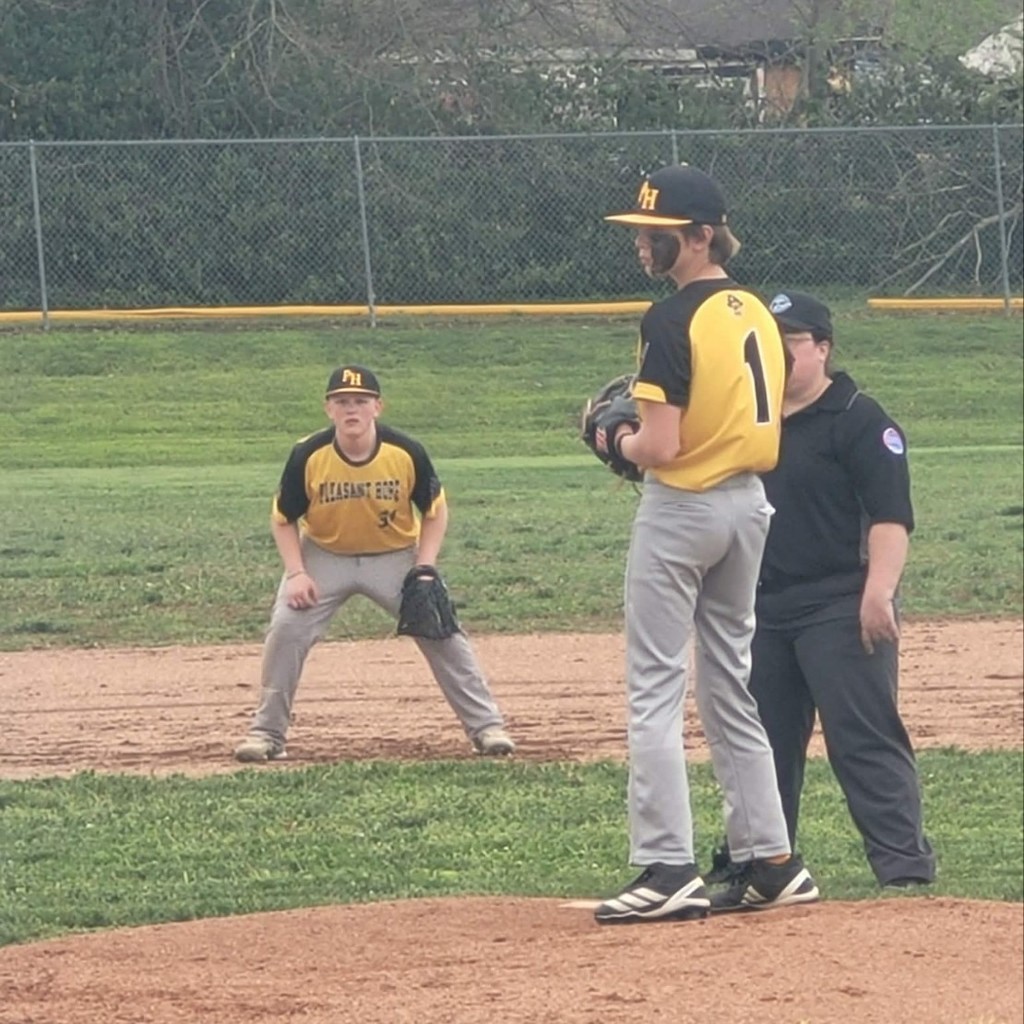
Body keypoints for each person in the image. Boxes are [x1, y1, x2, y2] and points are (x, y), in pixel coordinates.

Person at [592, 164, 819, 923]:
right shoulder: (756, 307)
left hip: (683, 508)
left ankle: (666, 868)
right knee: (729, 684)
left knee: (654, 688)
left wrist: (612, 436)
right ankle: (773, 859)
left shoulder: (669, 320)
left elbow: (658, 446)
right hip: (748, 508)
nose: (641, 245)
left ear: (694, 238)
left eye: (653, 234)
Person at [708, 291, 936, 889]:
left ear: (823, 348)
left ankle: (904, 871)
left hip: (840, 602)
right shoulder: (749, 420)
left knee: (861, 738)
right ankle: (761, 865)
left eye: (788, 347)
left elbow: (890, 516)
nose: (776, 361)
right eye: (765, 349)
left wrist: (878, 593)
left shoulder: (861, 418)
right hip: (762, 606)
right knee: (761, 744)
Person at [234, 364, 515, 763]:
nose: (352, 410)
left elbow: (435, 510)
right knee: (286, 631)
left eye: (361, 401)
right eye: (342, 402)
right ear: (328, 409)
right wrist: (297, 573)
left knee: (442, 632)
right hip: (324, 557)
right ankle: (266, 735)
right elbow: (283, 519)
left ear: (378, 407)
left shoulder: (405, 451)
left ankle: (487, 728)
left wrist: (426, 566)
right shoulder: (308, 454)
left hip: (394, 556)